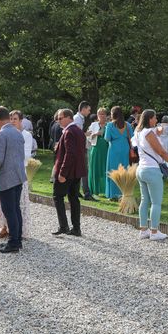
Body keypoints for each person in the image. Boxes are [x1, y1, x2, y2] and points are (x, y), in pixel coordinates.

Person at [0, 106, 27, 252]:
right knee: (16, 209)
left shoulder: (1, 135)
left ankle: (13, 243)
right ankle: (17, 240)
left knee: (9, 211)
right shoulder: (18, 132)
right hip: (18, 176)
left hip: (6, 178)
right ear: (8, 117)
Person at [135, 109, 168, 241]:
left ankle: (143, 230)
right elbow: (161, 152)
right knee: (156, 202)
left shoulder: (138, 131)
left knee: (145, 200)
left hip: (141, 169)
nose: (156, 120)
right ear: (150, 119)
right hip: (151, 169)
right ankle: (154, 232)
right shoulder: (149, 133)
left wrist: (161, 127)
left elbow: (159, 130)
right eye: (155, 118)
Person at [52, 108, 87, 236]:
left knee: (57, 196)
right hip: (76, 171)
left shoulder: (69, 132)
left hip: (68, 172)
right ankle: (76, 228)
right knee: (73, 198)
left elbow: (70, 154)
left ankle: (64, 226)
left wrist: (62, 173)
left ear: (69, 118)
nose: (58, 120)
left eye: (61, 118)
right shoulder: (78, 130)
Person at [104, 106, 133, 201]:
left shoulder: (110, 125)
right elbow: (132, 137)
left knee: (113, 170)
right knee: (124, 170)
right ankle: (123, 193)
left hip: (114, 149)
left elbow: (107, 138)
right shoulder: (127, 125)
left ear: (113, 115)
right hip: (125, 148)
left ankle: (113, 195)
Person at [73, 101, 95, 201]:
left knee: (79, 170)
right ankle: (86, 193)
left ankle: (77, 191)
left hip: (79, 148)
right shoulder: (77, 119)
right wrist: (86, 134)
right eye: (89, 110)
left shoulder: (79, 118)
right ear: (83, 109)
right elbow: (77, 135)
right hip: (79, 149)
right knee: (84, 170)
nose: (89, 112)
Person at [87, 107, 109, 196]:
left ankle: (105, 190)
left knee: (104, 168)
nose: (101, 116)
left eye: (103, 114)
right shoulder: (93, 125)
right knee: (95, 168)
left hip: (106, 148)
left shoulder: (109, 125)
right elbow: (88, 137)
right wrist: (95, 134)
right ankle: (94, 189)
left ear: (106, 115)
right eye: (100, 114)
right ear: (97, 115)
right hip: (95, 148)